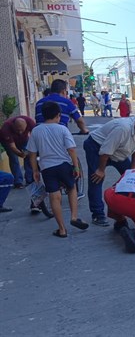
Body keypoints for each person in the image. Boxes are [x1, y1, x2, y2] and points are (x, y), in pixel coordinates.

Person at [27, 101, 89, 238]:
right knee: (71, 188)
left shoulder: (36, 131)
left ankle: (62, 230)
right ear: (58, 115)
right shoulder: (62, 129)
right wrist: (76, 166)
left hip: (47, 168)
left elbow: (32, 154)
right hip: (64, 165)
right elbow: (71, 149)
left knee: (54, 197)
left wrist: (35, 171)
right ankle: (73, 217)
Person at [84, 115, 135, 226]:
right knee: (96, 179)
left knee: (131, 178)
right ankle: (98, 214)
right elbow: (105, 151)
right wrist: (101, 170)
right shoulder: (122, 129)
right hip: (97, 147)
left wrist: (133, 165)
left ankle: (126, 206)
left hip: (118, 152)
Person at [0, 116, 35, 188]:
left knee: (28, 157)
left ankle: (30, 179)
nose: (20, 132)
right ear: (13, 125)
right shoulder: (6, 128)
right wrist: (20, 154)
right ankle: (18, 182)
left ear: (26, 125)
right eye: (17, 130)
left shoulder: (30, 122)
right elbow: (12, 146)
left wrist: (31, 150)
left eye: (22, 130)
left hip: (24, 140)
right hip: (8, 142)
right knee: (14, 158)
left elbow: (35, 136)